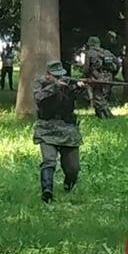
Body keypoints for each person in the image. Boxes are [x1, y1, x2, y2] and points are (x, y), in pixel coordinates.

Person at [33, 60, 85, 203]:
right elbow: (38, 98)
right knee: (48, 161)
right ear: (47, 75)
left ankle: (69, 184)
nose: (58, 78)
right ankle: (47, 190)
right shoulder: (40, 83)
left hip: (68, 130)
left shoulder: (68, 85)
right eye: (55, 76)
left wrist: (79, 88)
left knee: (73, 167)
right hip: (46, 129)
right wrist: (55, 86)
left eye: (59, 76)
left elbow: (82, 100)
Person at [82, 35, 120, 118]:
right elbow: (117, 64)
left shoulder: (89, 53)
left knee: (98, 97)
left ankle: (109, 115)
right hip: (108, 77)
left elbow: (86, 69)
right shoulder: (107, 52)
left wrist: (85, 74)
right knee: (103, 96)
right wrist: (112, 75)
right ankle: (99, 115)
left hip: (97, 77)